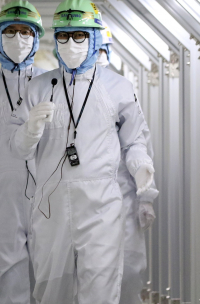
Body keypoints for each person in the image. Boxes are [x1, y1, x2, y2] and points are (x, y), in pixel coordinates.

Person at [9, 0, 157, 304]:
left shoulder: (117, 87)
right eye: (63, 35)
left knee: (100, 289)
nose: (71, 43)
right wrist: (30, 129)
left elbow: (134, 141)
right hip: (50, 208)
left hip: (100, 205)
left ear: (93, 38)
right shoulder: (38, 87)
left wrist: (141, 168)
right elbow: (20, 150)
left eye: (79, 35)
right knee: (51, 292)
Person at [0, 0, 46, 304]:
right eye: (10, 31)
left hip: (47, 193)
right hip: (0, 195)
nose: (18, 39)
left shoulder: (52, 84)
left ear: (36, 38)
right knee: (7, 275)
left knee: (49, 276)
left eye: (25, 32)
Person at [97, 21, 157, 304]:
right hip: (86, 199)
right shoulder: (63, 91)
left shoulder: (122, 90)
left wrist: (147, 197)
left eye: (101, 48)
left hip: (123, 195)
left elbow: (139, 144)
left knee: (130, 270)